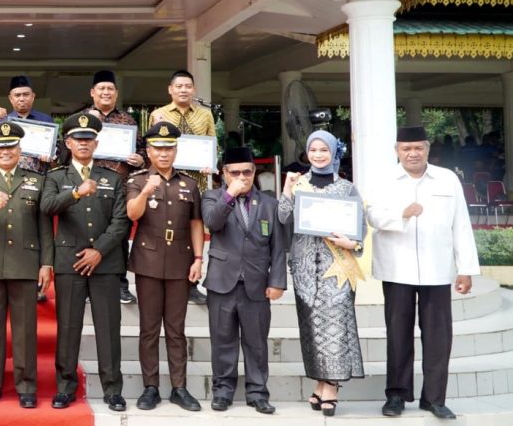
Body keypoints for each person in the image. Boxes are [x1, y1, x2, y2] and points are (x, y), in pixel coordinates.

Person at [368, 125, 480, 420]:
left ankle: (434, 398)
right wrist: (400, 215)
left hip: (437, 269)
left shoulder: (447, 179)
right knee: (397, 335)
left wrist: (466, 269)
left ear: (428, 149)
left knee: (438, 337)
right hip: (396, 269)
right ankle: (396, 394)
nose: (413, 153)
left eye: (418, 148)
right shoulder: (385, 179)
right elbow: (372, 215)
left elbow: (461, 224)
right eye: (406, 149)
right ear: (397, 151)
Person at [41, 113, 128, 412]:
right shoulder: (56, 177)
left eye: (89, 139)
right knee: (68, 328)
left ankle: (112, 389)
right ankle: (65, 387)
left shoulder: (112, 178)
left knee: (108, 328)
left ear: (96, 143)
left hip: (104, 262)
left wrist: (99, 250)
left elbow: (121, 222)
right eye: (78, 139)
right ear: (68, 142)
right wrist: (76, 192)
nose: (83, 144)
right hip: (69, 260)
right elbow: (47, 207)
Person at [0, 120, 54, 409]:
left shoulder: (36, 180)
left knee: (25, 329)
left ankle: (26, 386)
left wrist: (46, 264)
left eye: (11, 146)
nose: (5, 151)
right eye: (0, 147)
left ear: (20, 149)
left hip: (26, 262)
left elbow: (45, 227)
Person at [278, 130, 365, 417]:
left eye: (323, 150)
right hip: (305, 270)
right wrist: (287, 188)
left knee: (336, 327)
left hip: (337, 268)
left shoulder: (347, 188)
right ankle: (320, 383)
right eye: (313, 150)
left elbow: (360, 230)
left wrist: (351, 244)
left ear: (333, 153)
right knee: (313, 329)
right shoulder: (299, 183)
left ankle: (332, 387)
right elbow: (282, 217)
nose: (318, 154)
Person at [201, 146, 288, 414]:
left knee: (256, 342)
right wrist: (230, 195)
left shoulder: (269, 203)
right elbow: (213, 224)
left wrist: (277, 282)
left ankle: (258, 392)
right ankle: (223, 391)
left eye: (247, 172)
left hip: (257, 285)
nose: (242, 176)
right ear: (223, 173)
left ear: (255, 172)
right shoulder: (211, 197)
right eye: (235, 172)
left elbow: (278, 247)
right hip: (222, 282)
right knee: (222, 341)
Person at [125, 123, 204, 411]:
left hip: (181, 262)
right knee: (149, 328)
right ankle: (150, 387)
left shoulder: (189, 184)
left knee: (176, 328)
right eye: (158, 148)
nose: (164, 153)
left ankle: (179, 387)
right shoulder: (137, 180)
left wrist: (198, 259)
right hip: (148, 261)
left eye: (169, 148)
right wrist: (146, 191)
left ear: (176, 150)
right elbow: (132, 213)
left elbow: (196, 223)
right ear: (148, 151)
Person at [148, 69, 214, 306]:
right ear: (170, 89)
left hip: (196, 181)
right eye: (179, 86)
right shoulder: (158, 114)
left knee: (193, 229)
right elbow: (153, 148)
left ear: (194, 89)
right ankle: (166, 278)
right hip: (167, 181)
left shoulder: (206, 115)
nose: (184, 90)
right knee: (169, 228)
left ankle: (193, 282)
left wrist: (210, 164)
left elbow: (211, 144)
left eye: (188, 86)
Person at [83, 69, 145, 304]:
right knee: (90, 233)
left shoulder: (127, 120)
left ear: (116, 93)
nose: (106, 92)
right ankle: (88, 285)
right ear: (92, 92)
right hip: (90, 186)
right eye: (102, 88)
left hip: (120, 186)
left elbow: (141, 151)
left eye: (110, 89)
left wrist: (140, 160)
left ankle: (120, 284)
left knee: (119, 236)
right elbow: (65, 151)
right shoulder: (83, 118)